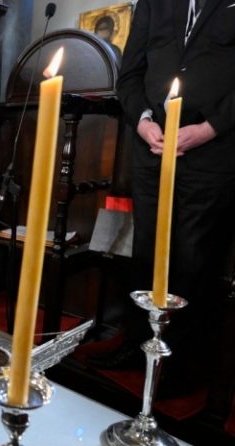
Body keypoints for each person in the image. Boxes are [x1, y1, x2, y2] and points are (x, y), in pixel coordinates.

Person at [93, 0, 235, 398]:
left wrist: (210, 128)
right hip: (152, 149)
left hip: (212, 150)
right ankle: (136, 345)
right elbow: (130, 76)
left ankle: (182, 364)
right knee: (146, 250)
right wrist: (142, 122)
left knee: (193, 257)